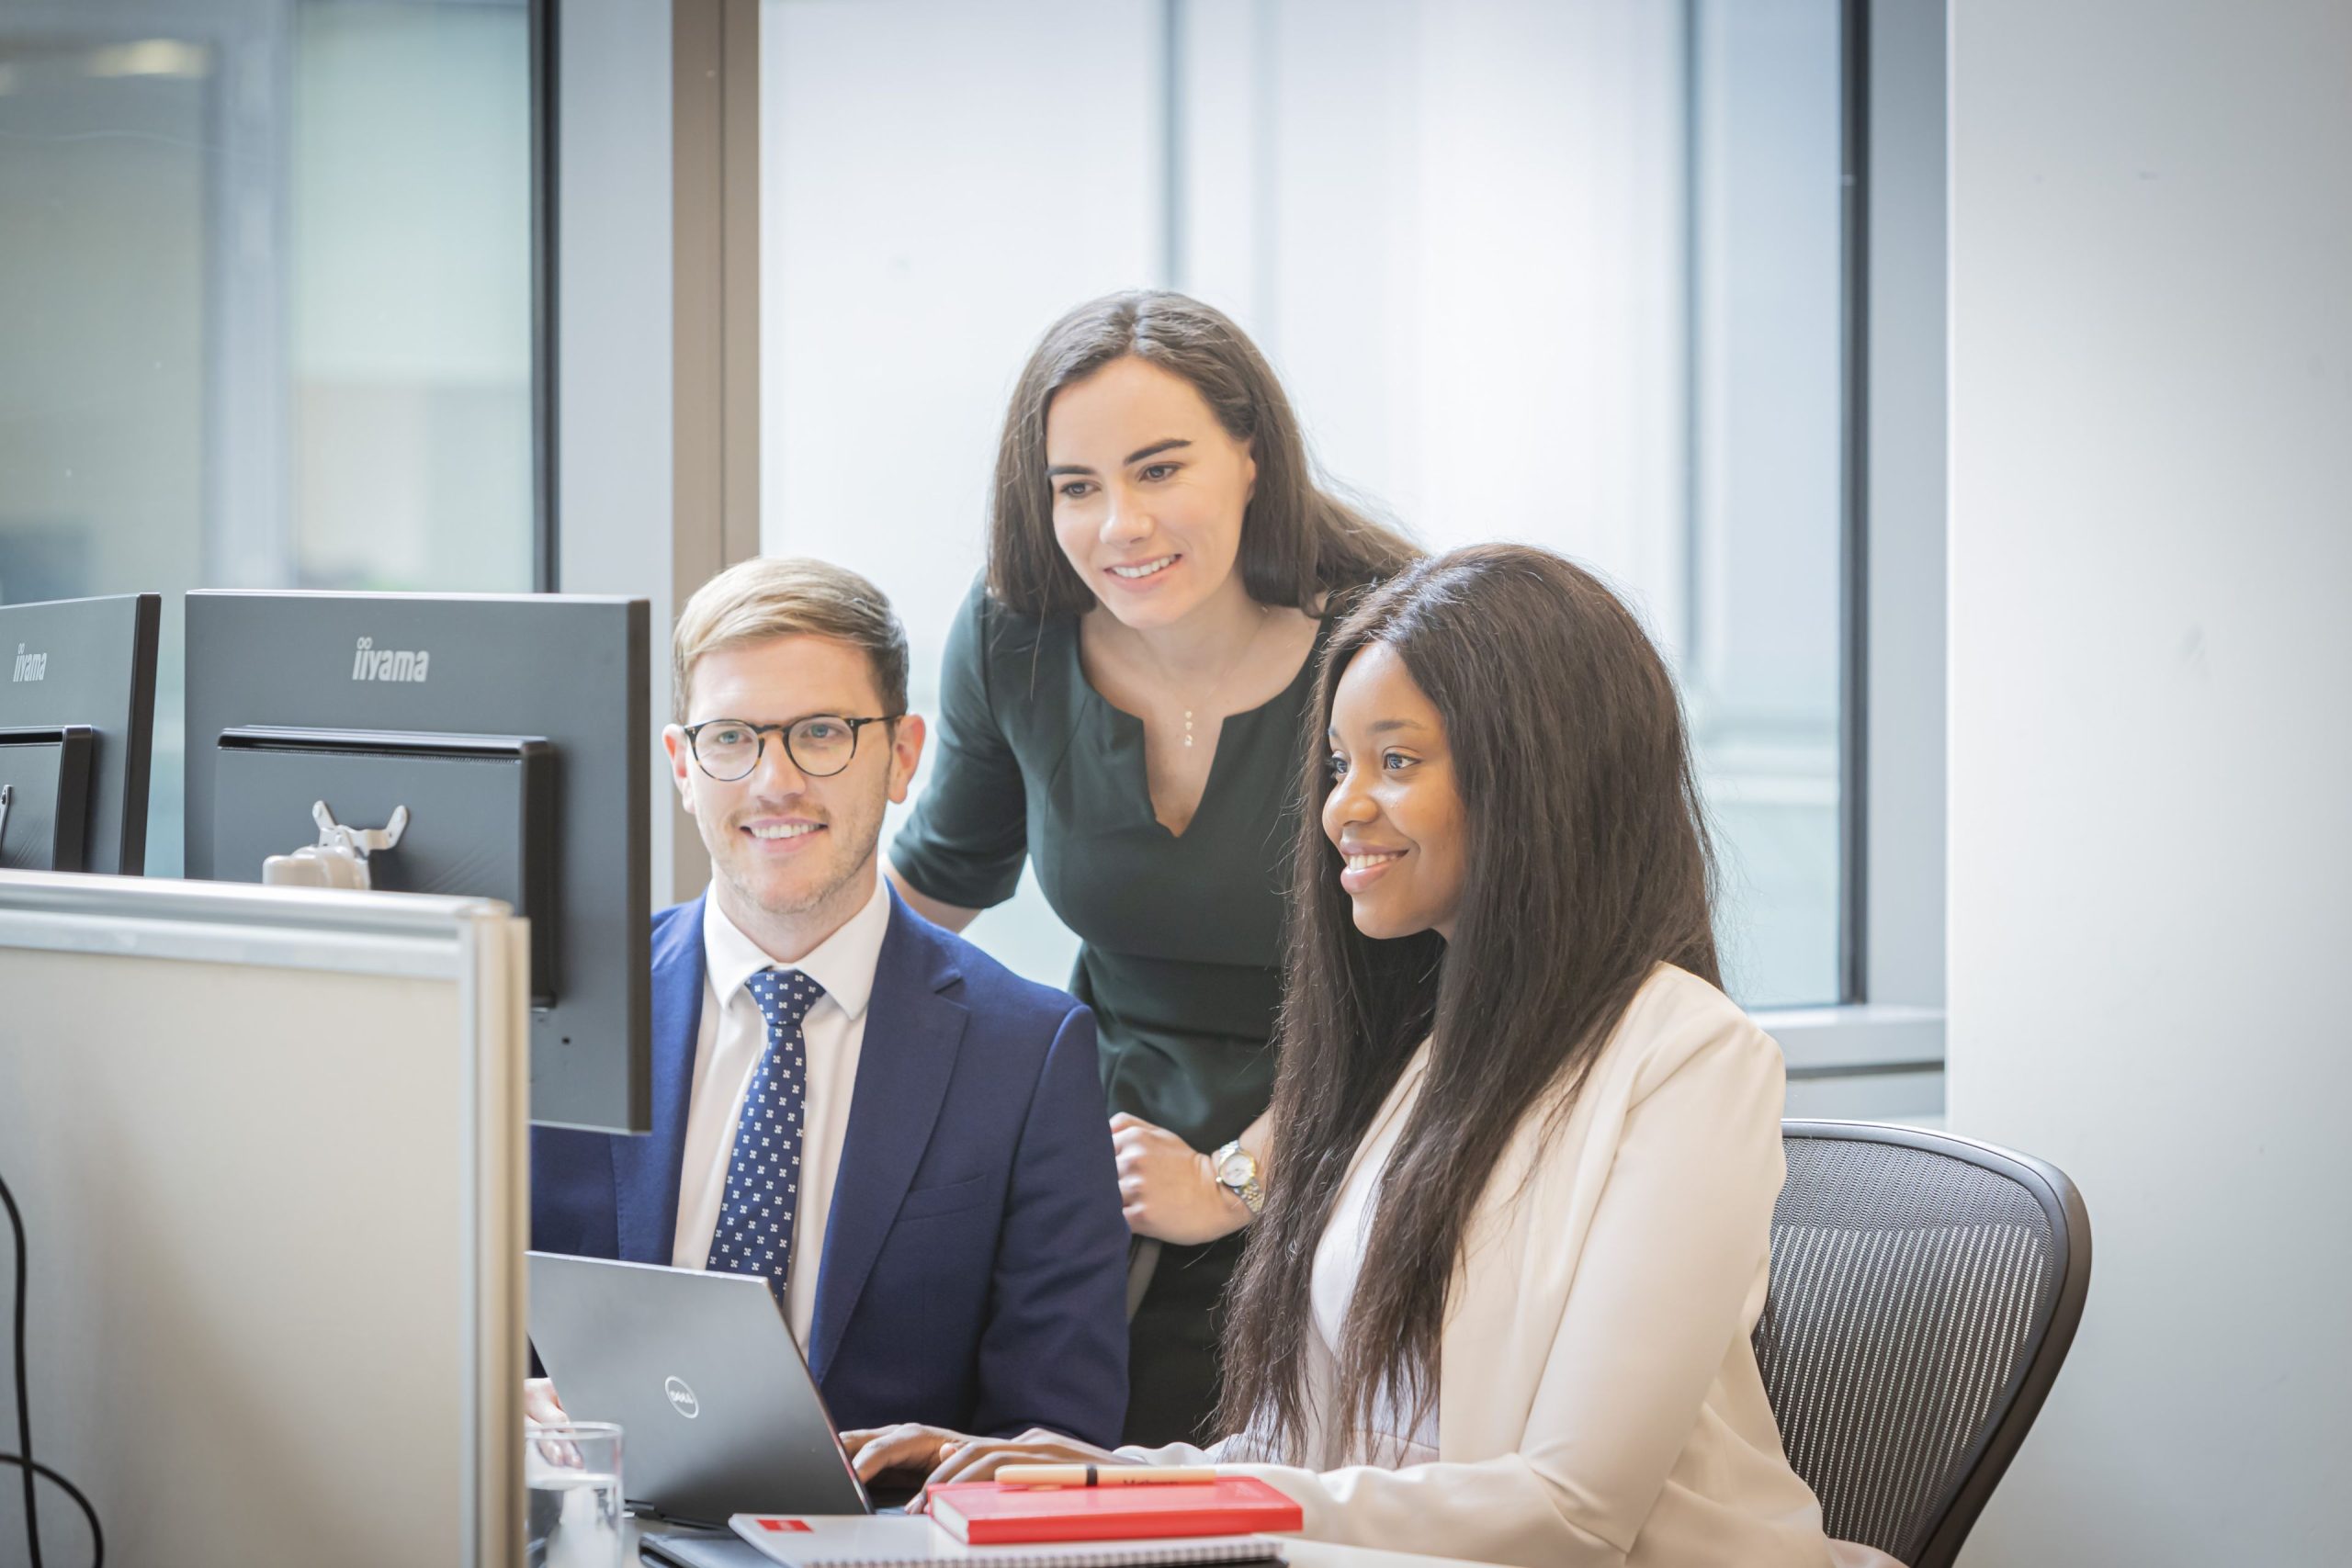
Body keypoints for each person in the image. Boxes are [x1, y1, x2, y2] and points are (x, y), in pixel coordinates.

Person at [844, 545, 1901, 1568]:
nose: (1341, 806)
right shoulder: (1407, 1055)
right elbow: (1306, 1459)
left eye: (1395, 762)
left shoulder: (1690, 1058)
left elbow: (1570, 1517)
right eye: (1341, 764)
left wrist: (1148, 1492)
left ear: (1536, 772)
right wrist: (1087, 1476)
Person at [886, 290, 1419, 1445]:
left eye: (1159, 469)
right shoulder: (1015, 635)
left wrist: (1235, 1183)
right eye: (1076, 487)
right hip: (1111, 1147)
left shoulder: (1392, 644)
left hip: (1357, 1127)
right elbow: (930, 894)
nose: (1117, 524)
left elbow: (1437, 990)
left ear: (1250, 457)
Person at [529, 557, 1130, 1449]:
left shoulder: (1029, 1055)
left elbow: (1055, 1437)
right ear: (681, 766)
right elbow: (444, 1325)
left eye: (820, 732)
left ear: (903, 756)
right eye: (731, 737)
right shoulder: (552, 1010)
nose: (775, 781)